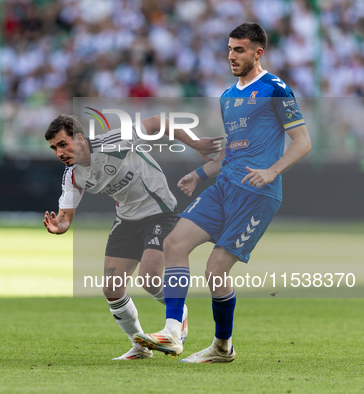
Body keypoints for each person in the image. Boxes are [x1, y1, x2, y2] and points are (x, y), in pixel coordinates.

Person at [133, 22, 312, 362]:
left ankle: (222, 347)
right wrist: (199, 174)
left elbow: (303, 142)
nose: (231, 55)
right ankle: (172, 331)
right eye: (229, 48)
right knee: (174, 243)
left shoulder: (276, 88)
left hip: (258, 194)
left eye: (239, 50)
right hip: (223, 187)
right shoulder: (228, 97)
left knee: (215, 271)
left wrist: (272, 171)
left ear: (258, 53)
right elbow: (234, 148)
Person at [43, 113, 223, 360]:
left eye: (63, 144)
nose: (59, 153)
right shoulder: (73, 175)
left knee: (149, 279)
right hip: (126, 220)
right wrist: (60, 226)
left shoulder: (113, 142)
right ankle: (140, 346)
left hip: (159, 211)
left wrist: (194, 143)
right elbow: (65, 216)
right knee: (112, 288)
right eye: (54, 148)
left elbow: (157, 122)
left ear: (81, 139)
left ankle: (177, 313)